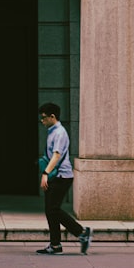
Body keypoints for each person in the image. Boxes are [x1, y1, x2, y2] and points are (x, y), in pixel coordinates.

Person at [37, 102, 92, 255]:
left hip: (62, 176)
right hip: (57, 175)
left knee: (53, 209)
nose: (42, 121)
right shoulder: (52, 131)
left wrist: (46, 173)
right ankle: (55, 245)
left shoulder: (60, 133)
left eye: (44, 118)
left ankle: (82, 232)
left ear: (52, 117)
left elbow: (57, 155)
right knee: (50, 210)